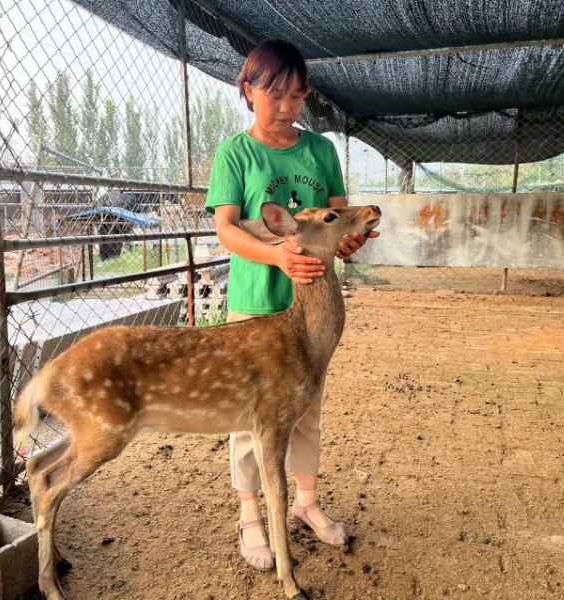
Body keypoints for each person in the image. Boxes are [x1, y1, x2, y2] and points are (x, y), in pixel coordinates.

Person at [204, 39, 378, 571]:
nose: (286, 106)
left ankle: (306, 504)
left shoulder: (320, 151)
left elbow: (340, 220)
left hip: (312, 311)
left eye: (297, 96)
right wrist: (276, 258)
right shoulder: (237, 152)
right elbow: (225, 229)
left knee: (306, 409)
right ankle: (252, 517)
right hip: (259, 303)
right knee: (250, 417)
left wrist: (351, 242)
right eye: (275, 94)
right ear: (248, 90)